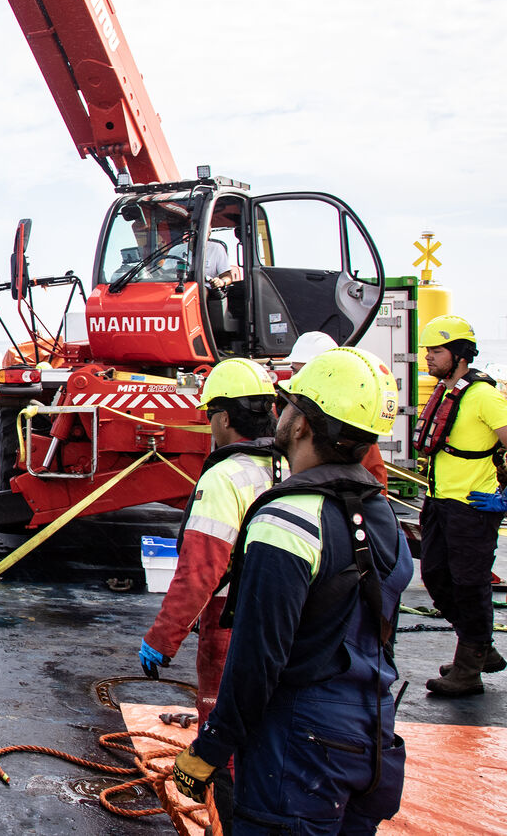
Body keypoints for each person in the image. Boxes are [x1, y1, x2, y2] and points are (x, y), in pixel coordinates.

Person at [173, 347, 410, 834]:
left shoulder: (288, 519)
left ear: (302, 425)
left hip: (301, 750)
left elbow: (259, 658)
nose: (278, 413)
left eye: (290, 404)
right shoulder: (384, 516)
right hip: (373, 737)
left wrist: (210, 750)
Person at [138, 358, 283, 729]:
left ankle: (224, 784)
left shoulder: (226, 477)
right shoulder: (288, 467)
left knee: (224, 726)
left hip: (230, 616)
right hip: (285, 614)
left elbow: (201, 571)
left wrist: (163, 637)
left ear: (223, 418)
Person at [412, 315, 507, 695]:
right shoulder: (449, 392)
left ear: (459, 354)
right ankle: (480, 646)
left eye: (436, 351)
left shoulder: (483, 396)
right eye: (427, 351)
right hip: (439, 503)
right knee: (436, 576)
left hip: (472, 509)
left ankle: (469, 670)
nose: (428, 359)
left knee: (470, 585)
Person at [284, 331, 389, 488]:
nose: (296, 379)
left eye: (304, 372)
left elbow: (375, 479)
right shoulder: (285, 411)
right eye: (294, 370)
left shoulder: (348, 420)